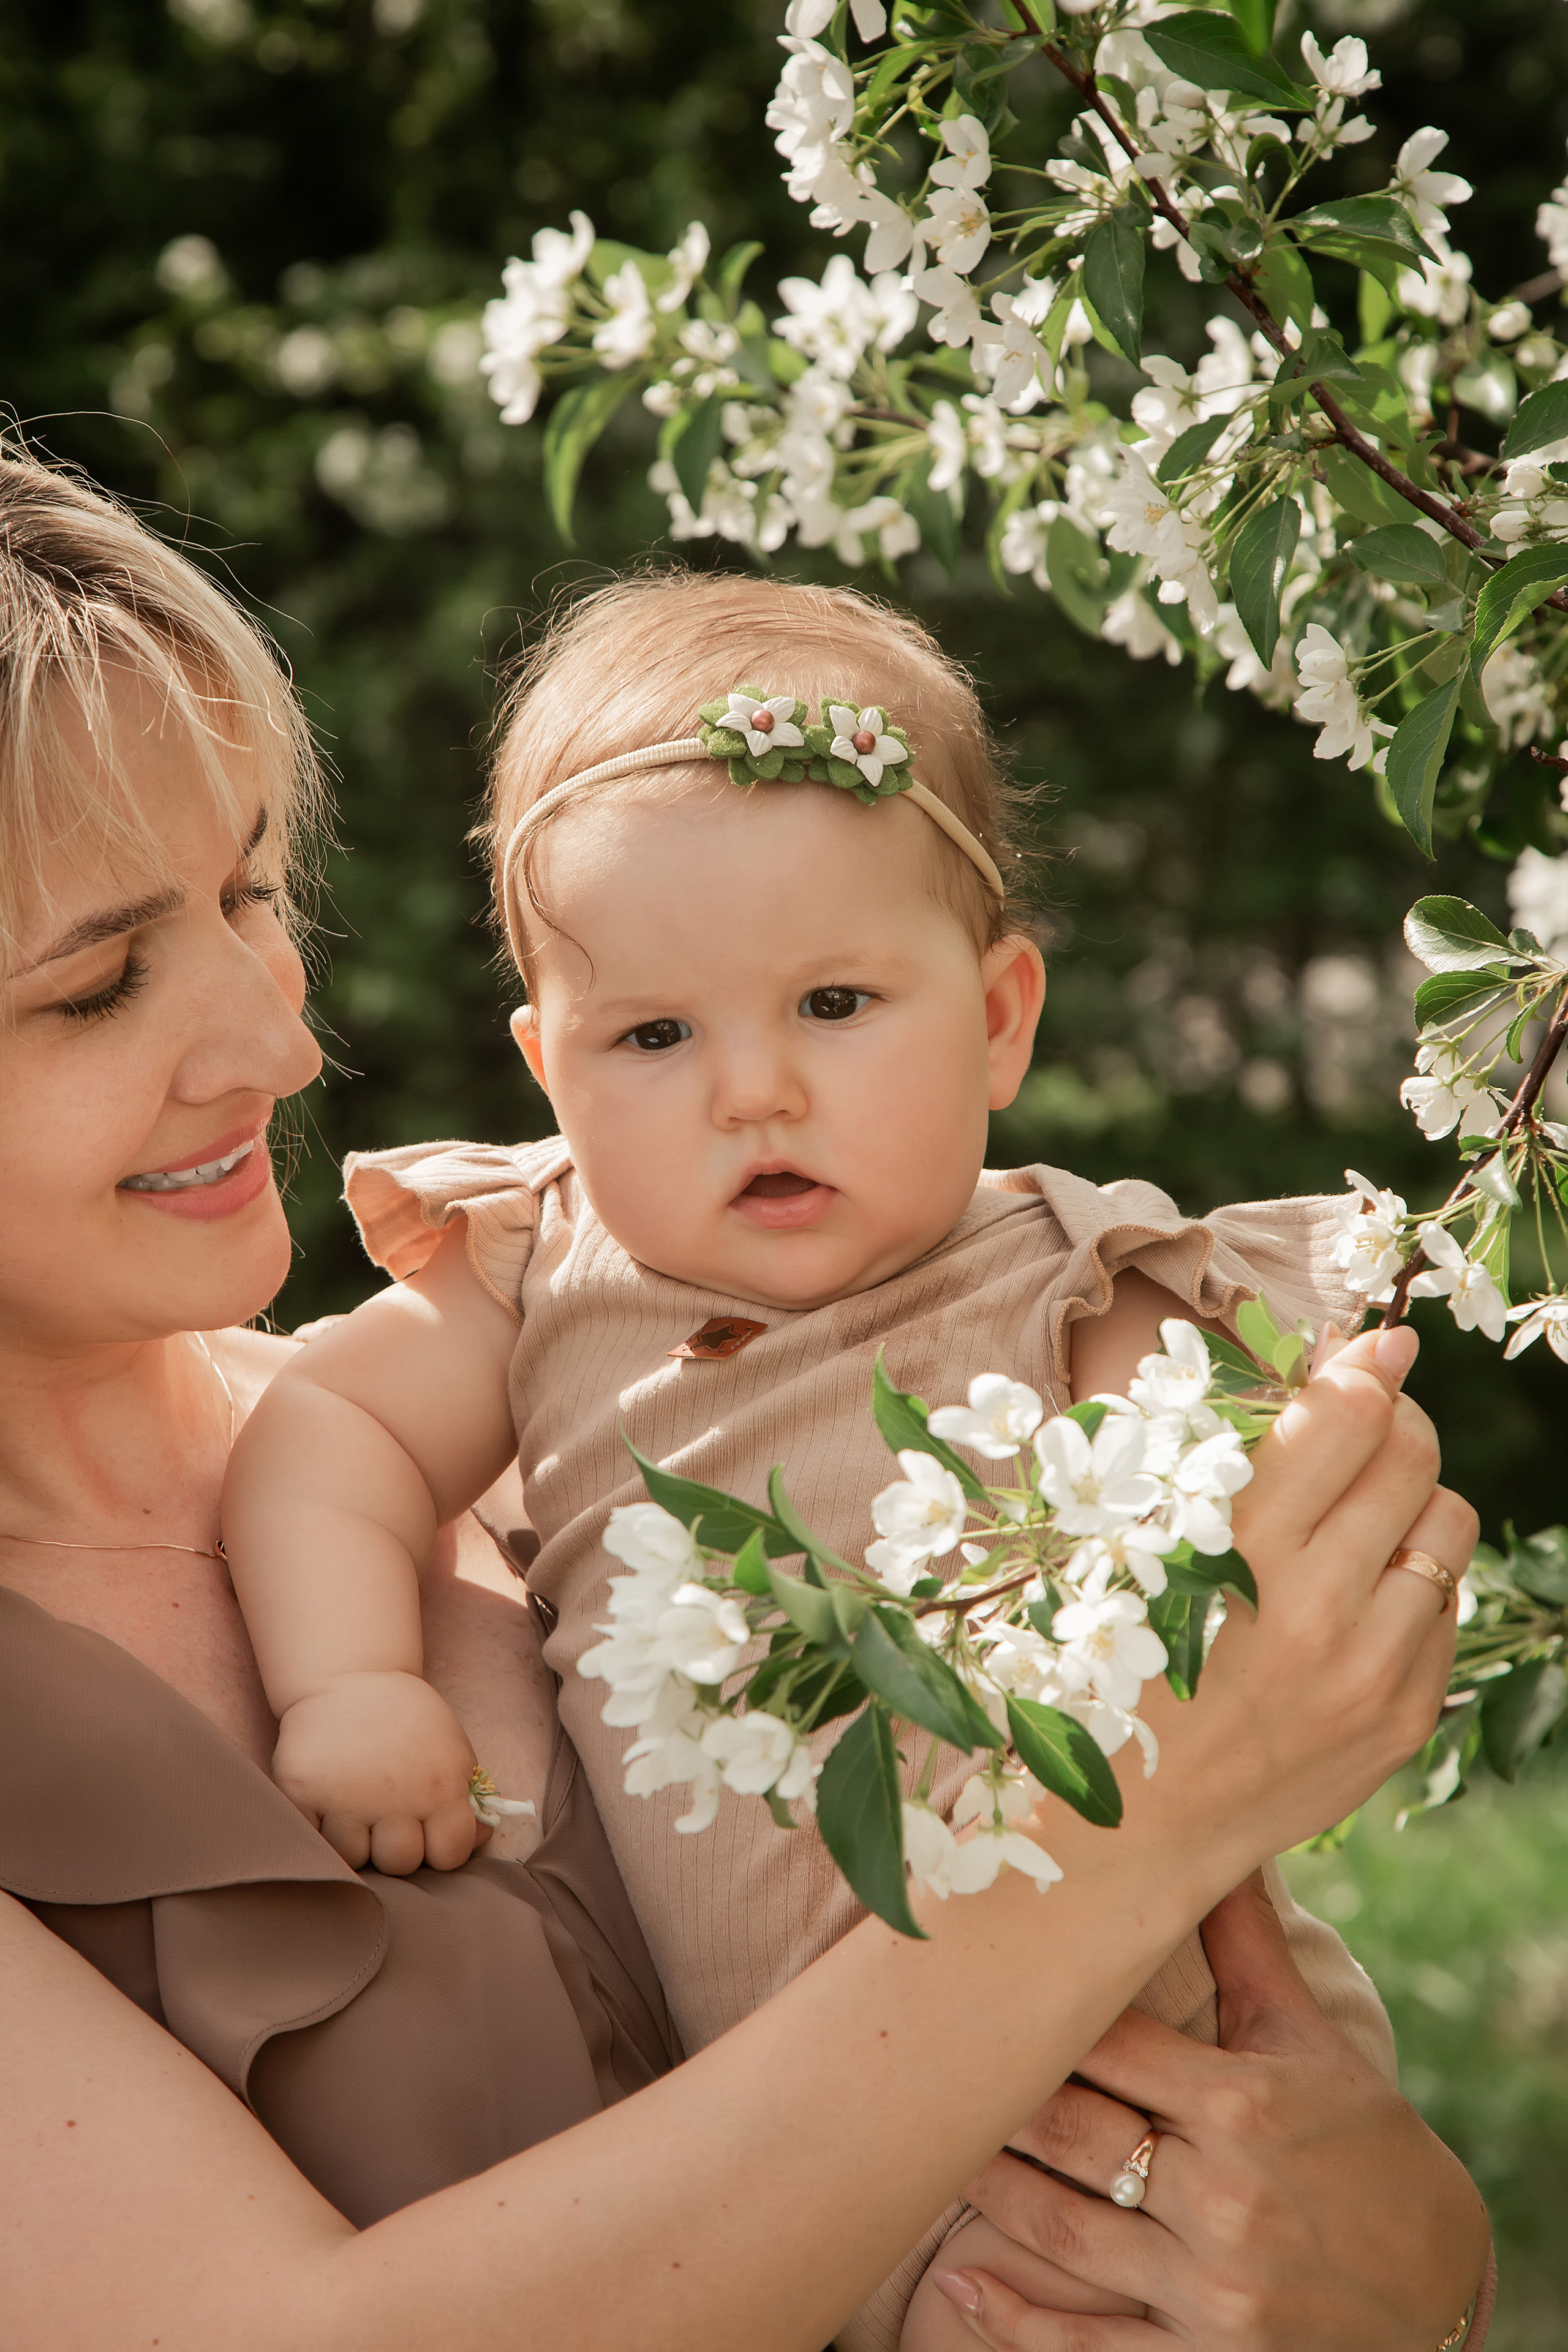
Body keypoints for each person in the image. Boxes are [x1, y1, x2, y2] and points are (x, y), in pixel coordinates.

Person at [219, 570, 1492, 2348]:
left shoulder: (1078, 1286)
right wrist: (348, 1683)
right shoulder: (544, 1271)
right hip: (799, 2172)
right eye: (654, 1036)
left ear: (996, 1017)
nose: (753, 1090)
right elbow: (327, 1431)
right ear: (548, 1066)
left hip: (1151, 2087)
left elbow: (1285, 1594)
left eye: (834, 1004)